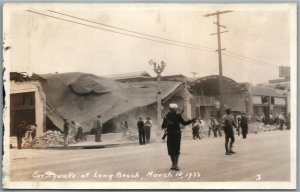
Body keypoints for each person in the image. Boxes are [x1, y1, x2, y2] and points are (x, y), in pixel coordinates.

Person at [161, 103, 195, 171]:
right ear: (171, 109)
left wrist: (191, 121)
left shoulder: (178, 116)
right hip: (170, 134)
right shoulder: (166, 117)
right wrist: (167, 123)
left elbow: (184, 123)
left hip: (177, 134)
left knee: (176, 149)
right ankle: (173, 164)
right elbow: (163, 126)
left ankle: (176, 165)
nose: (176, 110)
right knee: (170, 150)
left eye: (176, 109)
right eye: (175, 109)